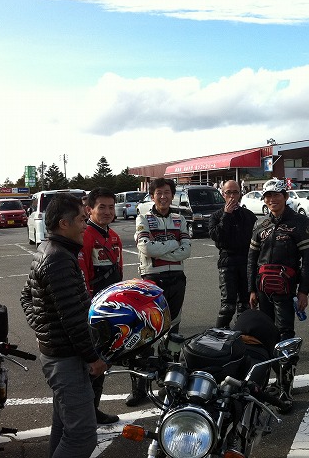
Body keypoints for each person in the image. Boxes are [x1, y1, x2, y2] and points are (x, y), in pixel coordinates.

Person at [20, 193, 107, 458]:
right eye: (81, 220)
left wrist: (42, 329)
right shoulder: (58, 258)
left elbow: (26, 297)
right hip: (67, 359)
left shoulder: (48, 250)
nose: (85, 225)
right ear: (63, 223)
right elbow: (74, 319)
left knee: (63, 425)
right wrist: (93, 358)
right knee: (82, 437)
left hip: (59, 354)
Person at [247, 179, 309, 410]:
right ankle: (272, 383)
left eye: (277, 195)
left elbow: (308, 260)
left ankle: (286, 389)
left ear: (285, 197)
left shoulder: (300, 222)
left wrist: (303, 291)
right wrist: (251, 290)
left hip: (286, 291)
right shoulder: (261, 225)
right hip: (262, 289)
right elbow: (252, 260)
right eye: (268, 196)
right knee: (266, 336)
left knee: (286, 337)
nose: (272, 199)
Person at [133, 177, 191, 405]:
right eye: (159, 192)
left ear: (172, 195)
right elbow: (146, 248)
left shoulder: (180, 219)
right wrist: (173, 244)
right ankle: (140, 389)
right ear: (152, 195)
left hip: (176, 279)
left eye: (167, 192)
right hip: (152, 279)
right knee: (147, 333)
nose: (163, 196)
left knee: (173, 332)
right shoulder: (143, 218)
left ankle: (169, 385)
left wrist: (161, 251)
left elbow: (186, 250)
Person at [78, 187, 123, 424]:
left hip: (110, 309)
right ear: (89, 210)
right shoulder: (85, 236)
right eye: (101, 207)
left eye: (111, 207)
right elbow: (83, 275)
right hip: (93, 309)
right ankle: (85, 412)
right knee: (91, 364)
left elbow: (119, 274)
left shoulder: (114, 237)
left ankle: (93, 409)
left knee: (104, 361)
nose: (107, 212)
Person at [208, 180, 257, 328]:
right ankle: (218, 335)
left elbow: (256, 241)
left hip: (246, 262)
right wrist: (227, 215)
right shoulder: (216, 216)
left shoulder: (248, 215)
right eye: (228, 192)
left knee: (245, 305)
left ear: (240, 194)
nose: (232, 196)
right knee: (228, 306)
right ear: (223, 194)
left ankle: (241, 334)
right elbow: (217, 236)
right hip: (227, 262)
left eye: (235, 192)